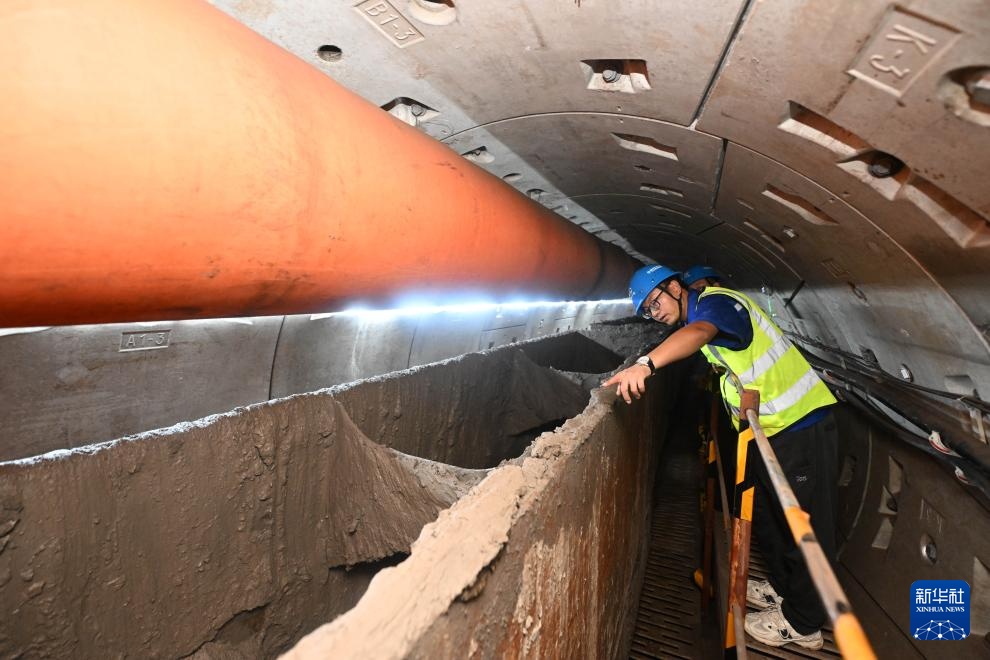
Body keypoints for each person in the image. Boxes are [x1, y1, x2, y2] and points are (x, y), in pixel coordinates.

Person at [604, 264, 838, 651]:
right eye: (647, 309)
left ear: (676, 287)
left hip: (800, 426)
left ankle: (804, 622)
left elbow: (699, 333)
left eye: (656, 299)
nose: (655, 311)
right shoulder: (700, 313)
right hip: (769, 432)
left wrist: (645, 364)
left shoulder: (717, 305)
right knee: (767, 514)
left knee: (805, 527)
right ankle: (785, 588)